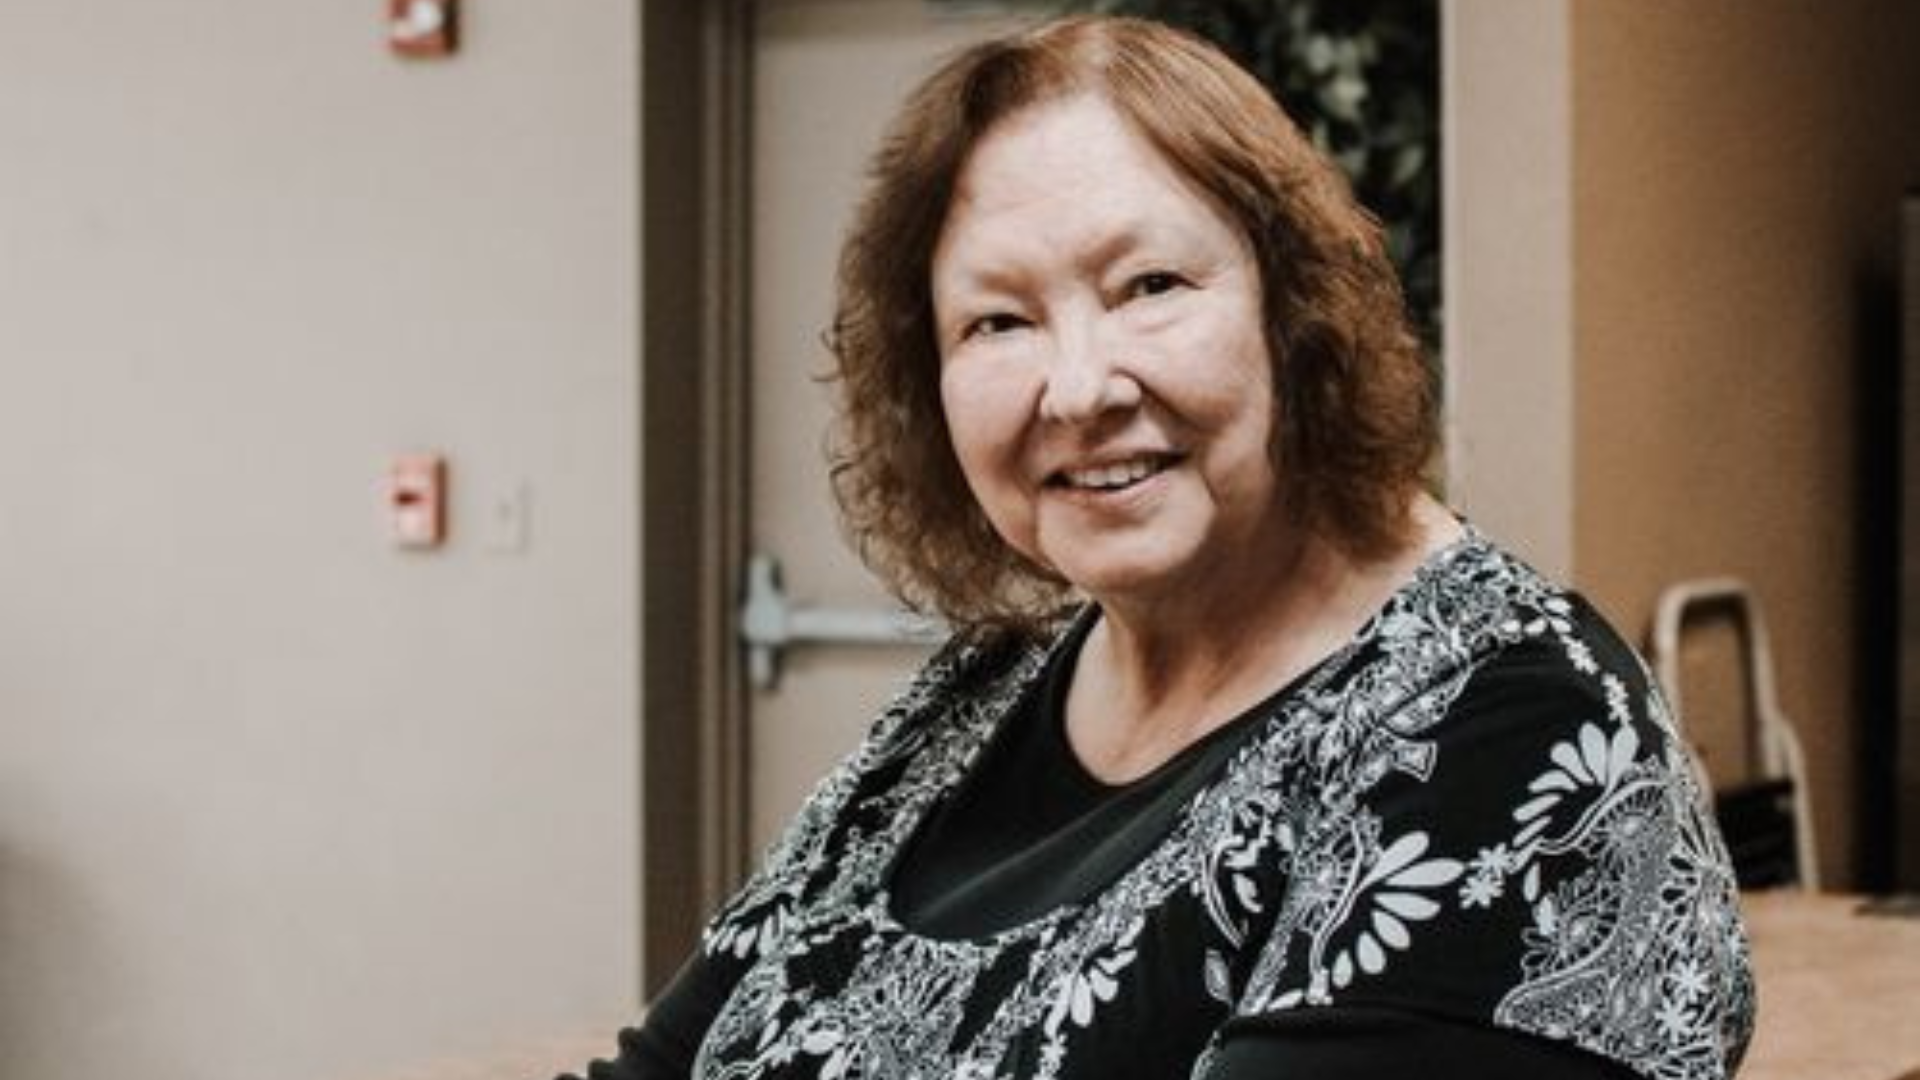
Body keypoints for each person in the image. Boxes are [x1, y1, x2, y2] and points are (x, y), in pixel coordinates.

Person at [568, 15, 1753, 1080]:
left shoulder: (1509, 725)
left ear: (1296, 314)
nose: (1076, 388)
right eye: (998, 320)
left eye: (1148, 285)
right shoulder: (982, 694)